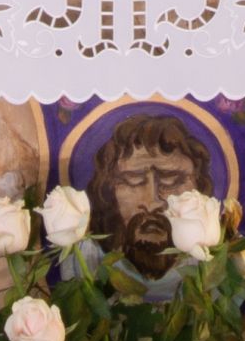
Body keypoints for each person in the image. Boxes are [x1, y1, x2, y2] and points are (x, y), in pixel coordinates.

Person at [82, 105, 223, 278]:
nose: (152, 203)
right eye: (133, 180)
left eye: (171, 180)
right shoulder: (84, 259)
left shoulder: (223, 259)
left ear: (198, 188)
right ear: (110, 190)